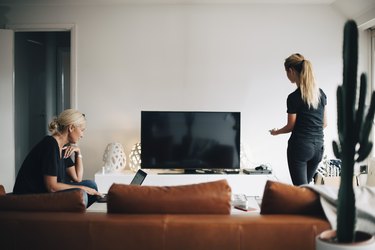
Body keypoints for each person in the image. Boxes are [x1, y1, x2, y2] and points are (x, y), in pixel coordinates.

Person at [13, 109, 101, 207]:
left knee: (91, 185)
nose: (82, 135)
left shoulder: (62, 148)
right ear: (71, 127)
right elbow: (52, 187)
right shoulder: (50, 145)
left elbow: (77, 178)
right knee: (83, 193)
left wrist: (78, 153)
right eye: (82, 130)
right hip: (30, 196)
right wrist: (83, 188)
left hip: (45, 191)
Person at [269, 53, 327, 186]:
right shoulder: (321, 94)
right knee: (305, 188)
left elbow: (291, 126)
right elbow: (324, 123)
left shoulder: (294, 97)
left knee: (300, 189)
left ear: (291, 71)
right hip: (318, 147)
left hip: (300, 147)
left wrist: (276, 132)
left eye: (286, 72)